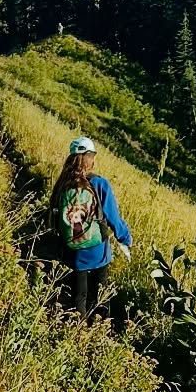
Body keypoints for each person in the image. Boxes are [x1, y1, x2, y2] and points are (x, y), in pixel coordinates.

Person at [50, 135, 131, 321]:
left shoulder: (64, 183)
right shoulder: (100, 183)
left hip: (73, 249)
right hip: (97, 248)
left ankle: (77, 329)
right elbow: (113, 217)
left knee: (79, 295)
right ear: (90, 157)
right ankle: (100, 328)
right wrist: (124, 238)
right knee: (100, 292)